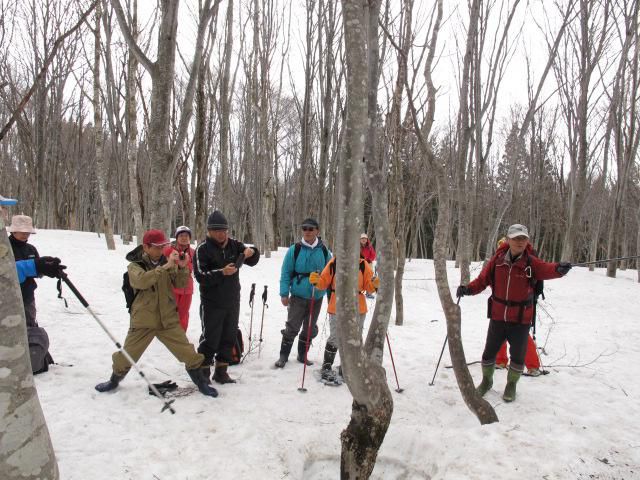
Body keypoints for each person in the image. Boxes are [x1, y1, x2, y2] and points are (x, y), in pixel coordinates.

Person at [456, 224, 572, 402]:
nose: (520, 242)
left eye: (523, 238)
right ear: (508, 240)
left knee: (517, 357)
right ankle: (487, 381)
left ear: (527, 241)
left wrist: (559, 269)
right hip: (498, 316)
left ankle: (511, 384)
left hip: (520, 319)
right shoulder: (498, 260)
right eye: (516, 238)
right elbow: (482, 280)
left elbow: (547, 269)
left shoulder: (531, 262)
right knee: (489, 354)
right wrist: (468, 289)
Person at [95, 229, 217, 397]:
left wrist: (182, 269)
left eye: (163, 246)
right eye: (157, 247)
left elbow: (181, 283)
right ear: (146, 247)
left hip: (167, 320)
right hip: (143, 321)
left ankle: (201, 382)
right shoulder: (135, 265)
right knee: (126, 356)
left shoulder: (168, 262)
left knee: (189, 353)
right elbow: (142, 281)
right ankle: (114, 380)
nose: (161, 250)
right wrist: (164, 267)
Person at [193, 211, 260, 384]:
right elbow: (200, 276)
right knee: (210, 337)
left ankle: (221, 372)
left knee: (229, 336)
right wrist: (222, 272)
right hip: (211, 302)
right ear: (209, 231)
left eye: (223, 230)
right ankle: (203, 373)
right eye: (216, 230)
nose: (221, 234)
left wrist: (251, 251)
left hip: (232, 300)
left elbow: (253, 260)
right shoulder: (203, 249)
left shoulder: (234, 245)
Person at [309, 254, 378, 379]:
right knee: (335, 336)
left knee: (355, 338)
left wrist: (375, 285)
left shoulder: (363, 264)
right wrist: (316, 281)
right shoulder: (334, 262)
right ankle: (327, 366)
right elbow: (323, 282)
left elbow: (369, 286)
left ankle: (347, 368)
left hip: (358, 307)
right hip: (337, 305)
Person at [275, 218, 331, 368]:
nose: (307, 231)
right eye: (304, 228)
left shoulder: (325, 251)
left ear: (317, 231)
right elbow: (286, 272)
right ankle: (283, 356)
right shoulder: (295, 249)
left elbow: (331, 275)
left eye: (311, 229)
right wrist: (284, 293)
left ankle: (302, 355)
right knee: (292, 326)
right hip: (298, 295)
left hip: (317, 296)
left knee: (310, 327)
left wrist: (328, 292)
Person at [492, 236, 544, 376]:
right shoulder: (501, 260)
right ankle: (501, 360)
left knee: (521, 335)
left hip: (520, 307)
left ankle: (532, 366)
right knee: (500, 332)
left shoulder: (528, 261)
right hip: (502, 305)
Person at [8, 215, 65, 328]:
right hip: (9, 295)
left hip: (28, 294)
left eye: (28, 233)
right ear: (14, 231)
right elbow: (9, 270)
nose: (26, 235)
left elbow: (38, 271)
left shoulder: (31, 249)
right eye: (23, 232)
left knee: (29, 321)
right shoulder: (5, 247)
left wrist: (46, 268)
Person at [163, 225, 195, 331]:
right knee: (171, 312)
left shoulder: (193, 252)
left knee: (184, 313)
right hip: (172, 288)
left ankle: (181, 335)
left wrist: (186, 264)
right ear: (176, 237)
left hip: (187, 289)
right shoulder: (168, 250)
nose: (184, 237)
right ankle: (169, 334)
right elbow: (161, 267)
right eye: (181, 235)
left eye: (186, 235)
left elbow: (195, 268)